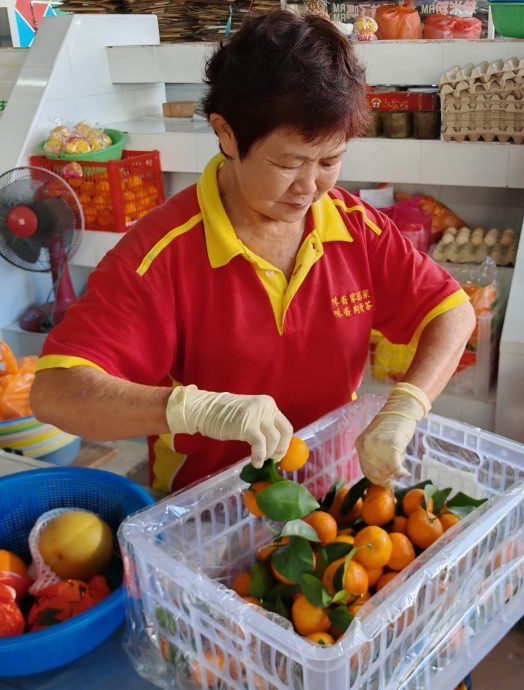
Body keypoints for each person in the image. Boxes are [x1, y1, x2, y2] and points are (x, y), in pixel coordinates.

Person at [30, 11, 475, 494]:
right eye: (288, 162)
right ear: (225, 133)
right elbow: (55, 393)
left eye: (330, 160)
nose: (310, 187)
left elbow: (450, 311)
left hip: (332, 497)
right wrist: (191, 410)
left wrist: (407, 404)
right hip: (205, 508)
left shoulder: (354, 227)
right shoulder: (161, 255)